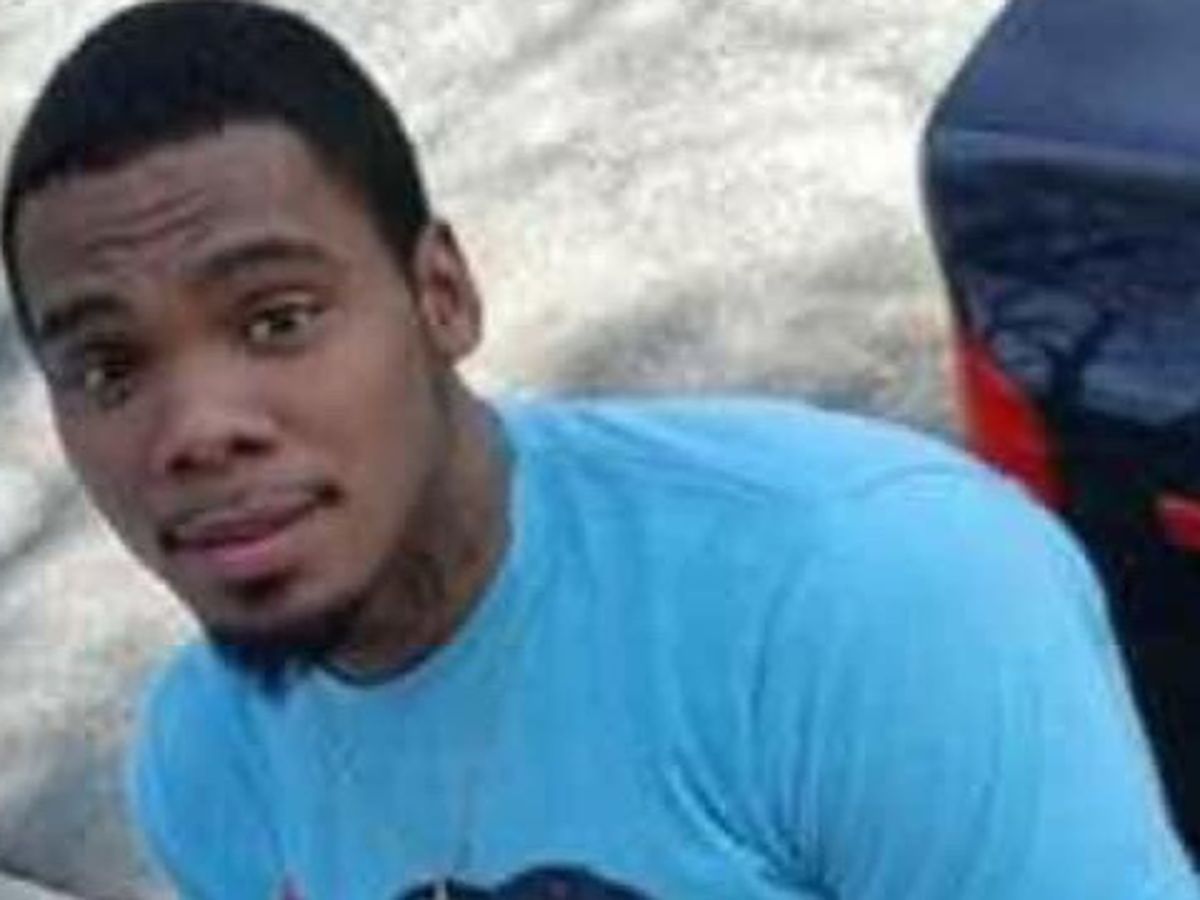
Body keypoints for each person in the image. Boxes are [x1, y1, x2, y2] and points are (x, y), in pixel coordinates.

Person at [1, 2, 1194, 898]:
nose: (196, 429)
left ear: (442, 296)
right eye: (107, 368)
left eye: (278, 319)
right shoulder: (206, 767)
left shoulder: (873, 597)